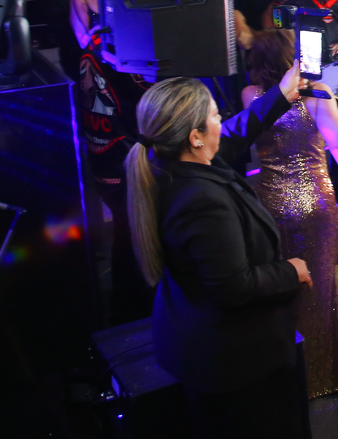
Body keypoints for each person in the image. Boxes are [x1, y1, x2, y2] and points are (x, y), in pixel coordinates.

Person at [125, 69, 311, 437]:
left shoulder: (170, 162)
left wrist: (281, 94)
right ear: (194, 137)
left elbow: (234, 134)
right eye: (214, 116)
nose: (221, 122)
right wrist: (292, 271)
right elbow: (233, 286)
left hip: (203, 343)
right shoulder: (201, 201)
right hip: (236, 364)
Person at [242, 31, 338, 400]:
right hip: (315, 204)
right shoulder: (318, 94)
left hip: (270, 204)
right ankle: (322, 378)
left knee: (281, 288)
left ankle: (288, 376)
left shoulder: (251, 95)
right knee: (319, 290)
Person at [75, 25, 154, 325]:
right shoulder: (125, 45)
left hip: (104, 157)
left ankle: (125, 312)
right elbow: (155, 98)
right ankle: (132, 317)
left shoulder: (97, 38)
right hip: (125, 162)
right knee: (137, 240)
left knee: (125, 234)